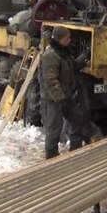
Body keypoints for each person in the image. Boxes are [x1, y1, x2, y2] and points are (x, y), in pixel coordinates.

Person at [40, 26, 89, 159]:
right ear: (60, 39)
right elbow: (50, 80)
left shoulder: (62, 53)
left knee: (76, 120)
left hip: (65, 96)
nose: (70, 40)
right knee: (54, 129)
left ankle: (75, 150)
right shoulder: (50, 55)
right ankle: (51, 158)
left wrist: (83, 58)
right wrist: (60, 99)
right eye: (67, 38)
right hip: (54, 99)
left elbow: (71, 66)